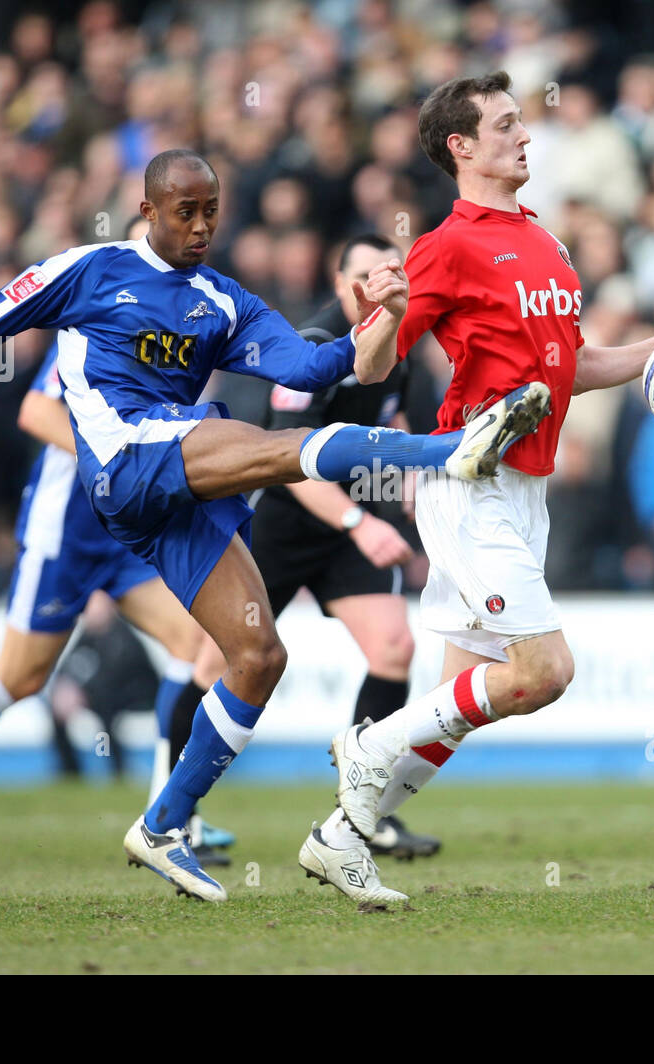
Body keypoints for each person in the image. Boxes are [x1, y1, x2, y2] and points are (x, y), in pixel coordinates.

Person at [0, 148, 550, 904]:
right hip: (121, 464)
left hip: (171, 488)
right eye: (185, 211)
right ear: (148, 210)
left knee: (255, 654)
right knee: (271, 454)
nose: (201, 226)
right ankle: (454, 450)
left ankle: (163, 823)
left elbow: (313, 369)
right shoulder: (87, 272)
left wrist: (378, 317)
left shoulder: (221, 301)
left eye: (211, 211)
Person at [301, 73, 654, 903]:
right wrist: (386, 312)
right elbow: (369, 367)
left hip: (525, 492)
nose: (524, 137)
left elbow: (575, 367)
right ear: (460, 147)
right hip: (472, 480)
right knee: (544, 671)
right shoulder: (446, 246)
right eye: (504, 126)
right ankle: (368, 746)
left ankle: (341, 837)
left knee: (458, 705)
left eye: (521, 123)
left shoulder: (545, 242)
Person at [0, 339, 215, 862]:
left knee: (195, 641)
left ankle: (165, 821)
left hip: (124, 532)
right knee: (18, 677)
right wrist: (114, 455)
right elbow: (35, 411)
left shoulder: (170, 335)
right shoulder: (101, 328)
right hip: (64, 535)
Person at [183, 234, 441, 863]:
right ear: (340, 282)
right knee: (211, 666)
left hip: (349, 527)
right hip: (288, 523)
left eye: (391, 274)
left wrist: (409, 478)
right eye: (366, 274)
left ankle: (361, 815)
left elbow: (393, 415)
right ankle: (176, 817)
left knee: (394, 648)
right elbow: (285, 461)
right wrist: (362, 523)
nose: (381, 286)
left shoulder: (397, 340)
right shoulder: (316, 347)